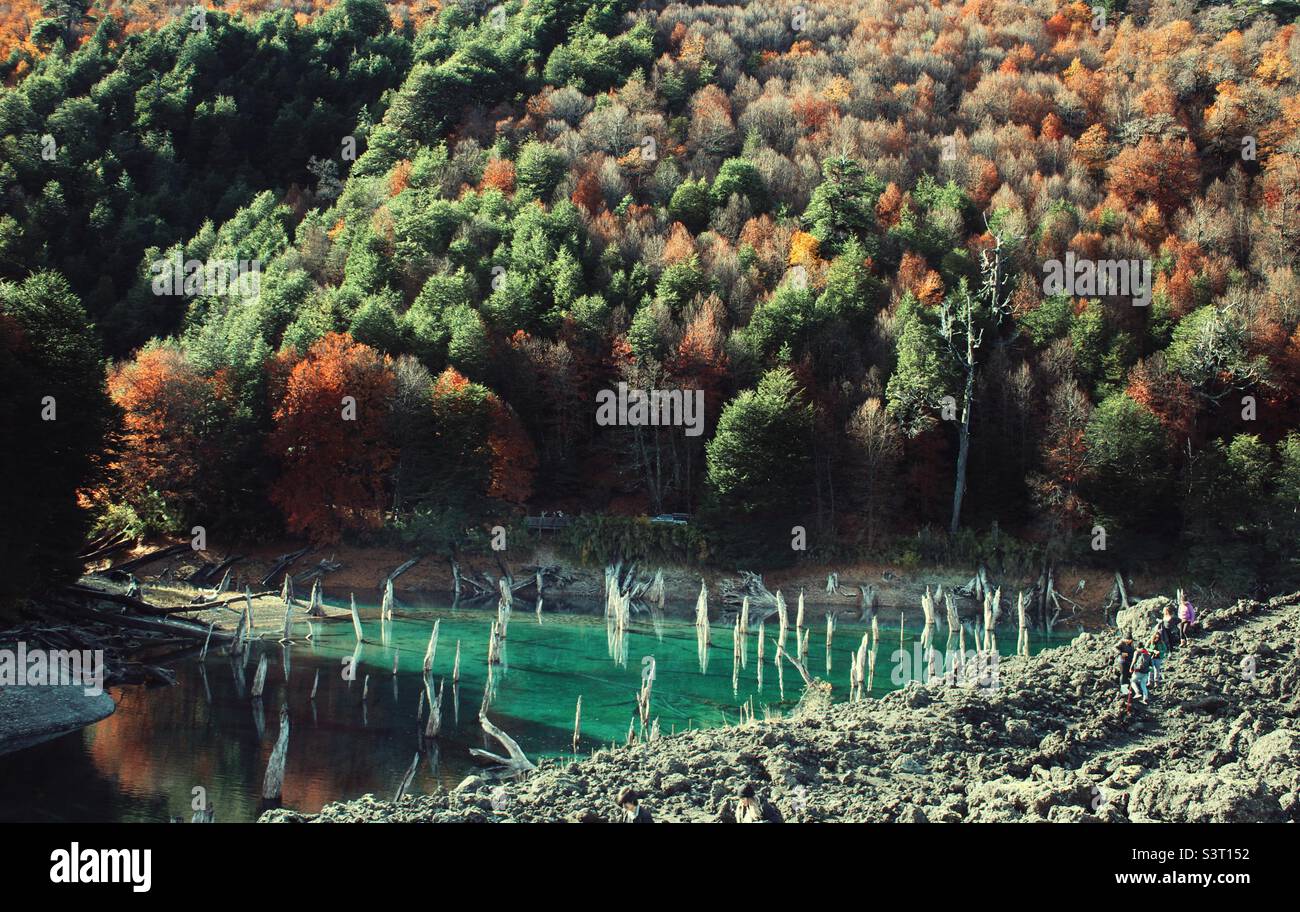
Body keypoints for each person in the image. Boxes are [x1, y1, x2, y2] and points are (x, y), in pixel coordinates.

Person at [1115, 636, 1135, 712]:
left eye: (1130, 640)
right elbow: (1114, 648)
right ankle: (1123, 689)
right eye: (1127, 640)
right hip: (1122, 661)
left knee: (1129, 675)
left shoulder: (1132, 644)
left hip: (1130, 662)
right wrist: (1121, 653)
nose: (1128, 641)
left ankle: (1129, 690)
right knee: (1123, 674)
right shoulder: (1121, 643)